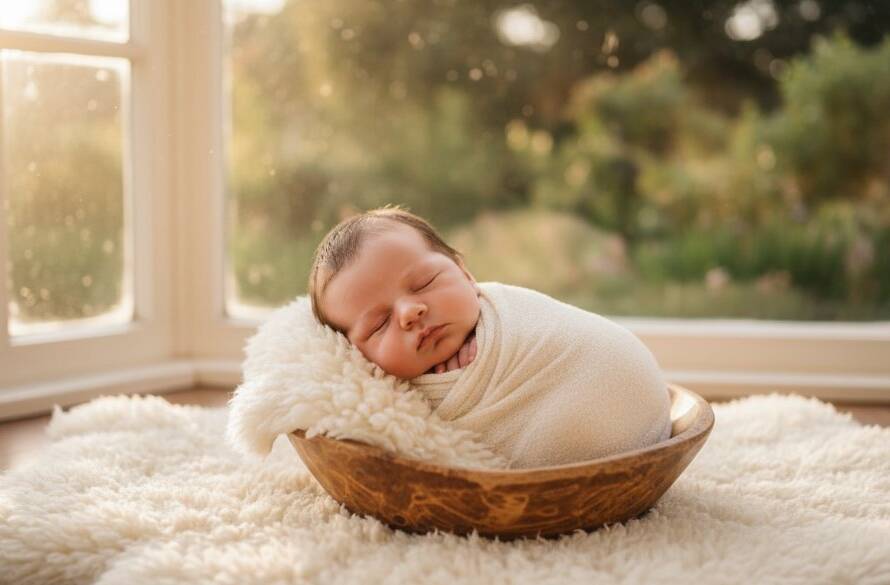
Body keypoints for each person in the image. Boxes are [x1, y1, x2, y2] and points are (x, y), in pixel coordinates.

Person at [308, 206, 672, 468]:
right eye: (378, 325)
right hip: (605, 451)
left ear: (465, 274)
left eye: (425, 283)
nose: (408, 313)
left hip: (623, 387)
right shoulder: (377, 392)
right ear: (352, 352)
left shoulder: (508, 314)